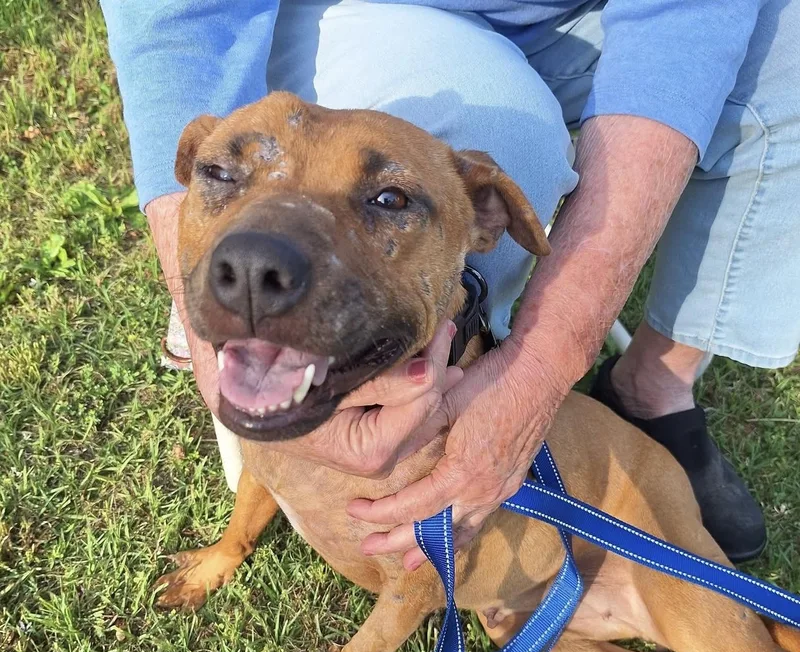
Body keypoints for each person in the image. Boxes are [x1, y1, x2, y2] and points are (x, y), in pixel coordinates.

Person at [101, 0, 800, 570]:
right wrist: (199, 292)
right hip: (380, 12)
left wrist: (544, 365)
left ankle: (647, 384)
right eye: (219, 176)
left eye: (387, 202)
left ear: (496, 219)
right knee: (511, 122)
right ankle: (359, 374)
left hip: (587, 19)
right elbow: (173, 20)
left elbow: (686, 21)